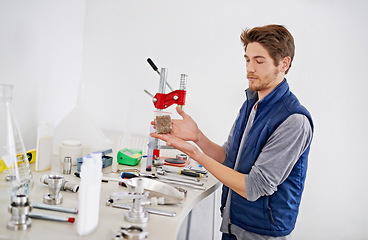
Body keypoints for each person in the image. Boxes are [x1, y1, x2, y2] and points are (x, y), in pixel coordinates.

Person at [151, 24, 313, 240]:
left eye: (259, 60)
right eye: (247, 59)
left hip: (261, 233)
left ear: (284, 63)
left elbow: (254, 187)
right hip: (233, 223)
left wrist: (194, 153)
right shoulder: (252, 105)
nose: (250, 68)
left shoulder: (294, 120)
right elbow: (228, 158)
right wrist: (197, 137)